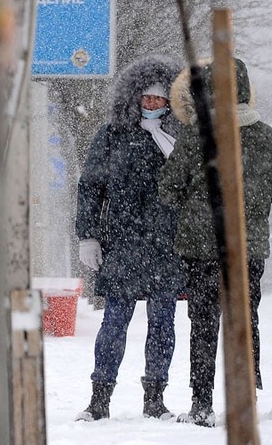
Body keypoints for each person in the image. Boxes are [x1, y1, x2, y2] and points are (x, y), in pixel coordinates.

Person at [158, 58, 272, 427]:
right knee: (244, 319)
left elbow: (168, 189)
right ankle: (245, 397)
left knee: (203, 324)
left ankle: (202, 403)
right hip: (248, 247)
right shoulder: (266, 135)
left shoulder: (197, 134)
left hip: (202, 248)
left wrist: (196, 202)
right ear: (245, 88)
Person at [74, 54, 184, 421]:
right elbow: (90, 187)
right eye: (147, 98)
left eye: (160, 99)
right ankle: (99, 398)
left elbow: (199, 189)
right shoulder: (111, 135)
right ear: (134, 97)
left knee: (163, 325)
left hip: (167, 246)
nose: (153, 104)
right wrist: (88, 236)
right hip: (122, 244)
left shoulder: (179, 139)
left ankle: (155, 397)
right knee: (114, 324)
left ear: (171, 101)